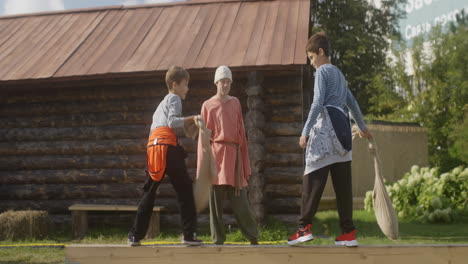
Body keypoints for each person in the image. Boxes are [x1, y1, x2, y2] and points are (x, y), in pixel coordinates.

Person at [287, 33, 373, 247]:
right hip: (343, 134)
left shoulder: (322, 72)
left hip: (326, 131)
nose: (311, 62)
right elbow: (352, 102)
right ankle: (348, 232)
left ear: (321, 52)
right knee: (343, 186)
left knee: (312, 179)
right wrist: (362, 127)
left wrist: (305, 131)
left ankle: (303, 228)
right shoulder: (340, 75)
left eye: (311, 57)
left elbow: (317, 103)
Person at [128, 66, 203, 246]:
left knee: (149, 192)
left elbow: (158, 129)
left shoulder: (159, 106)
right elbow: (172, 122)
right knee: (185, 190)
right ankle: (188, 235)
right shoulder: (174, 98)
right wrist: (193, 119)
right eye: (185, 84)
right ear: (174, 84)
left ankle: (135, 236)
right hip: (167, 149)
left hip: (153, 149)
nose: (187, 88)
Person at [197, 65, 259, 245]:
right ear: (216, 82)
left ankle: (252, 236)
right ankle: (218, 240)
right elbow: (203, 138)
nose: (225, 85)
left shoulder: (235, 103)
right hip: (216, 156)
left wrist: (244, 161)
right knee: (215, 201)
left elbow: (241, 133)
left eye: (228, 82)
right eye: (223, 81)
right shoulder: (207, 105)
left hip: (233, 157)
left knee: (241, 201)